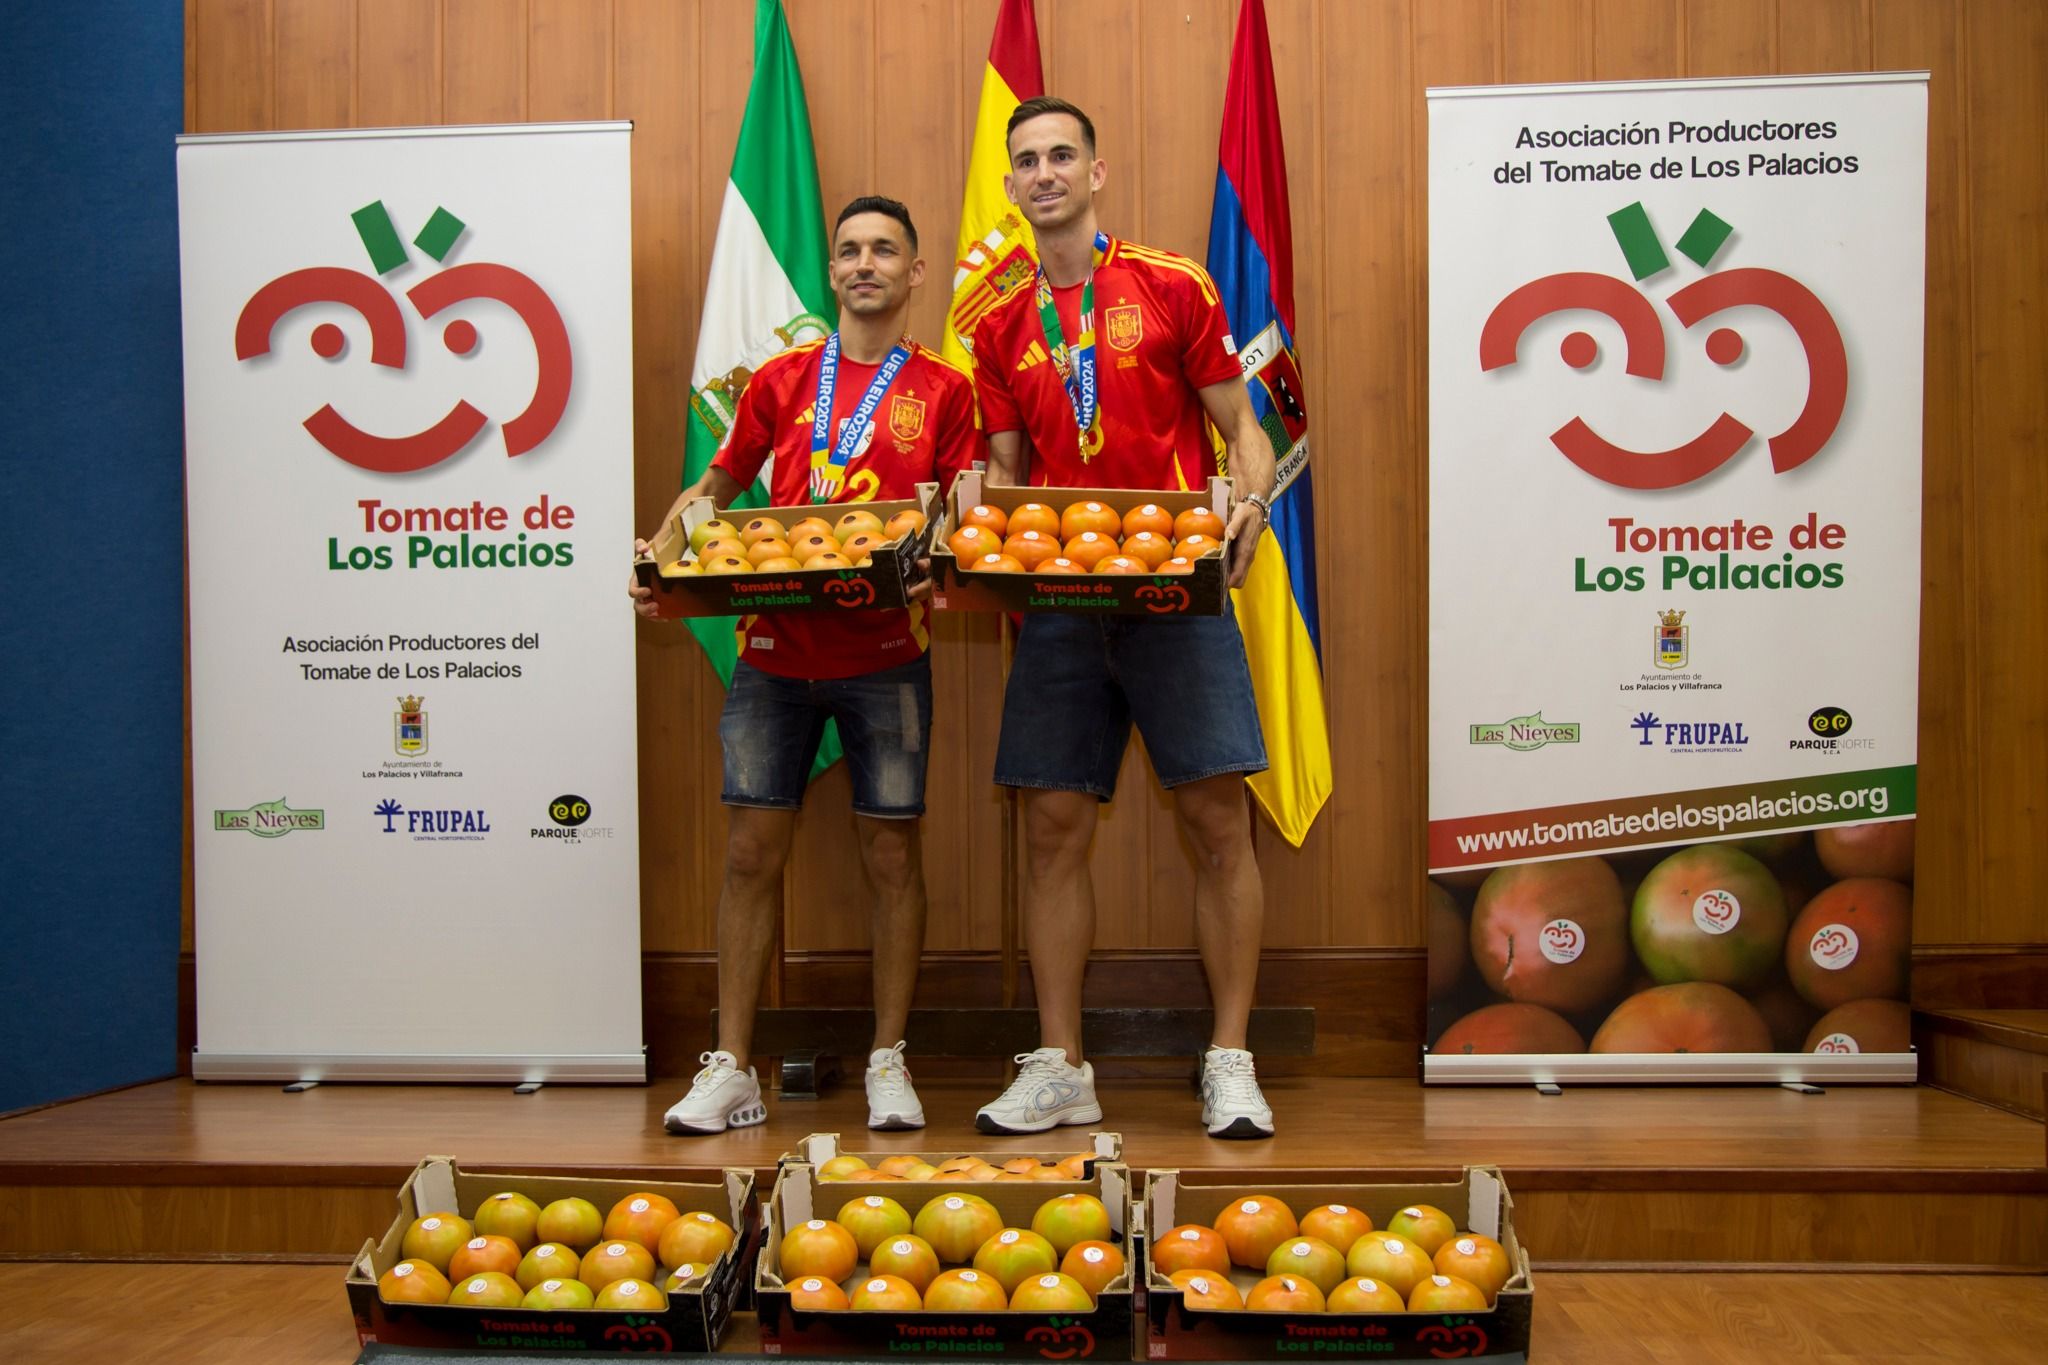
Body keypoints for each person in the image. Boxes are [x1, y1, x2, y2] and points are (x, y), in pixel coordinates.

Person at [965, 97, 1282, 1139]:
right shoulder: (998, 325)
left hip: (1173, 590)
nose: (1044, 172)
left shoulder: (1170, 283)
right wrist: (967, 506)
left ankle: (1228, 1059)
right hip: (1058, 601)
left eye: (1062, 155)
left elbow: (1244, 431)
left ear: (1096, 173)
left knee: (1215, 823)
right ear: (1009, 188)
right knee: (1050, 830)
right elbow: (1004, 474)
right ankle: (1060, 1066)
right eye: (1026, 161)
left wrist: (1246, 502)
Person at [630, 197, 981, 1135]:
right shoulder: (780, 382)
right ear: (831, 273)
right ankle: (731, 1065)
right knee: (748, 852)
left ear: (915, 275)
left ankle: (887, 1058)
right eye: (849, 251)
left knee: (891, 851)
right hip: (774, 655)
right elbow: (714, 488)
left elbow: (959, 516)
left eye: (885, 252)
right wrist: (667, 551)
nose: (864, 264)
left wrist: (939, 542)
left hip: (887, 655)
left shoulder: (946, 391)